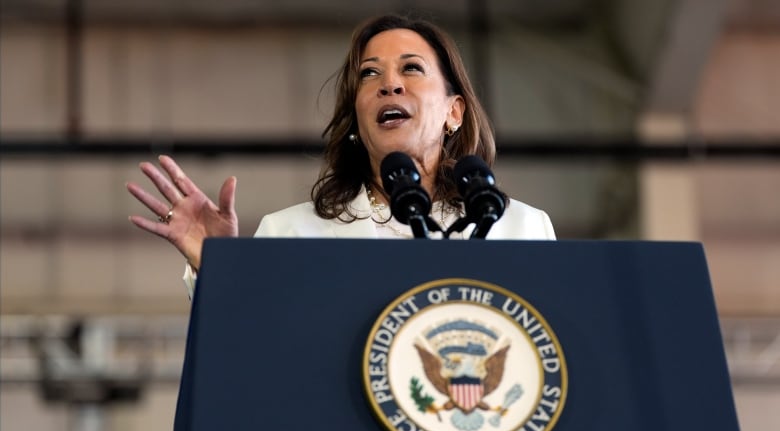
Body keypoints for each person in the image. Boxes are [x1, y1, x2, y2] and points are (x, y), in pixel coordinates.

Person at [126, 14, 555, 294]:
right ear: (356, 115)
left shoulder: (521, 228)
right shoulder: (290, 235)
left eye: (411, 68)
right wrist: (223, 273)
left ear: (454, 112)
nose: (390, 85)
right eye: (370, 74)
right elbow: (254, 355)